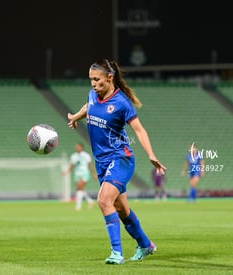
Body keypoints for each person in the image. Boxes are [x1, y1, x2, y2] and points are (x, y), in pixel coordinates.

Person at [67, 59, 166, 264]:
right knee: (122, 210)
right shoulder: (93, 95)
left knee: (103, 201)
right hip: (101, 163)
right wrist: (76, 116)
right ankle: (146, 245)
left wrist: (151, 154)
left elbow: (139, 129)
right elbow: (89, 106)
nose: (93, 84)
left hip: (121, 159)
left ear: (109, 78)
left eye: (97, 79)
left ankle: (116, 253)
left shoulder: (121, 103)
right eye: (91, 80)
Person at [62, 142, 97, 210]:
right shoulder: (74, 156)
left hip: (84, 173)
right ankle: (90, 201)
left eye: (78, 147)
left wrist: (94, 174)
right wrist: (66, 172)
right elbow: (71, 166)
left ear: (81, 148)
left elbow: (90, 165)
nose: (76, 148)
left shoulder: (86, 155)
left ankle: (78, 206)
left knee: (79, 188)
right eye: (76, 147)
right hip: (77, 174)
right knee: (79, 189)